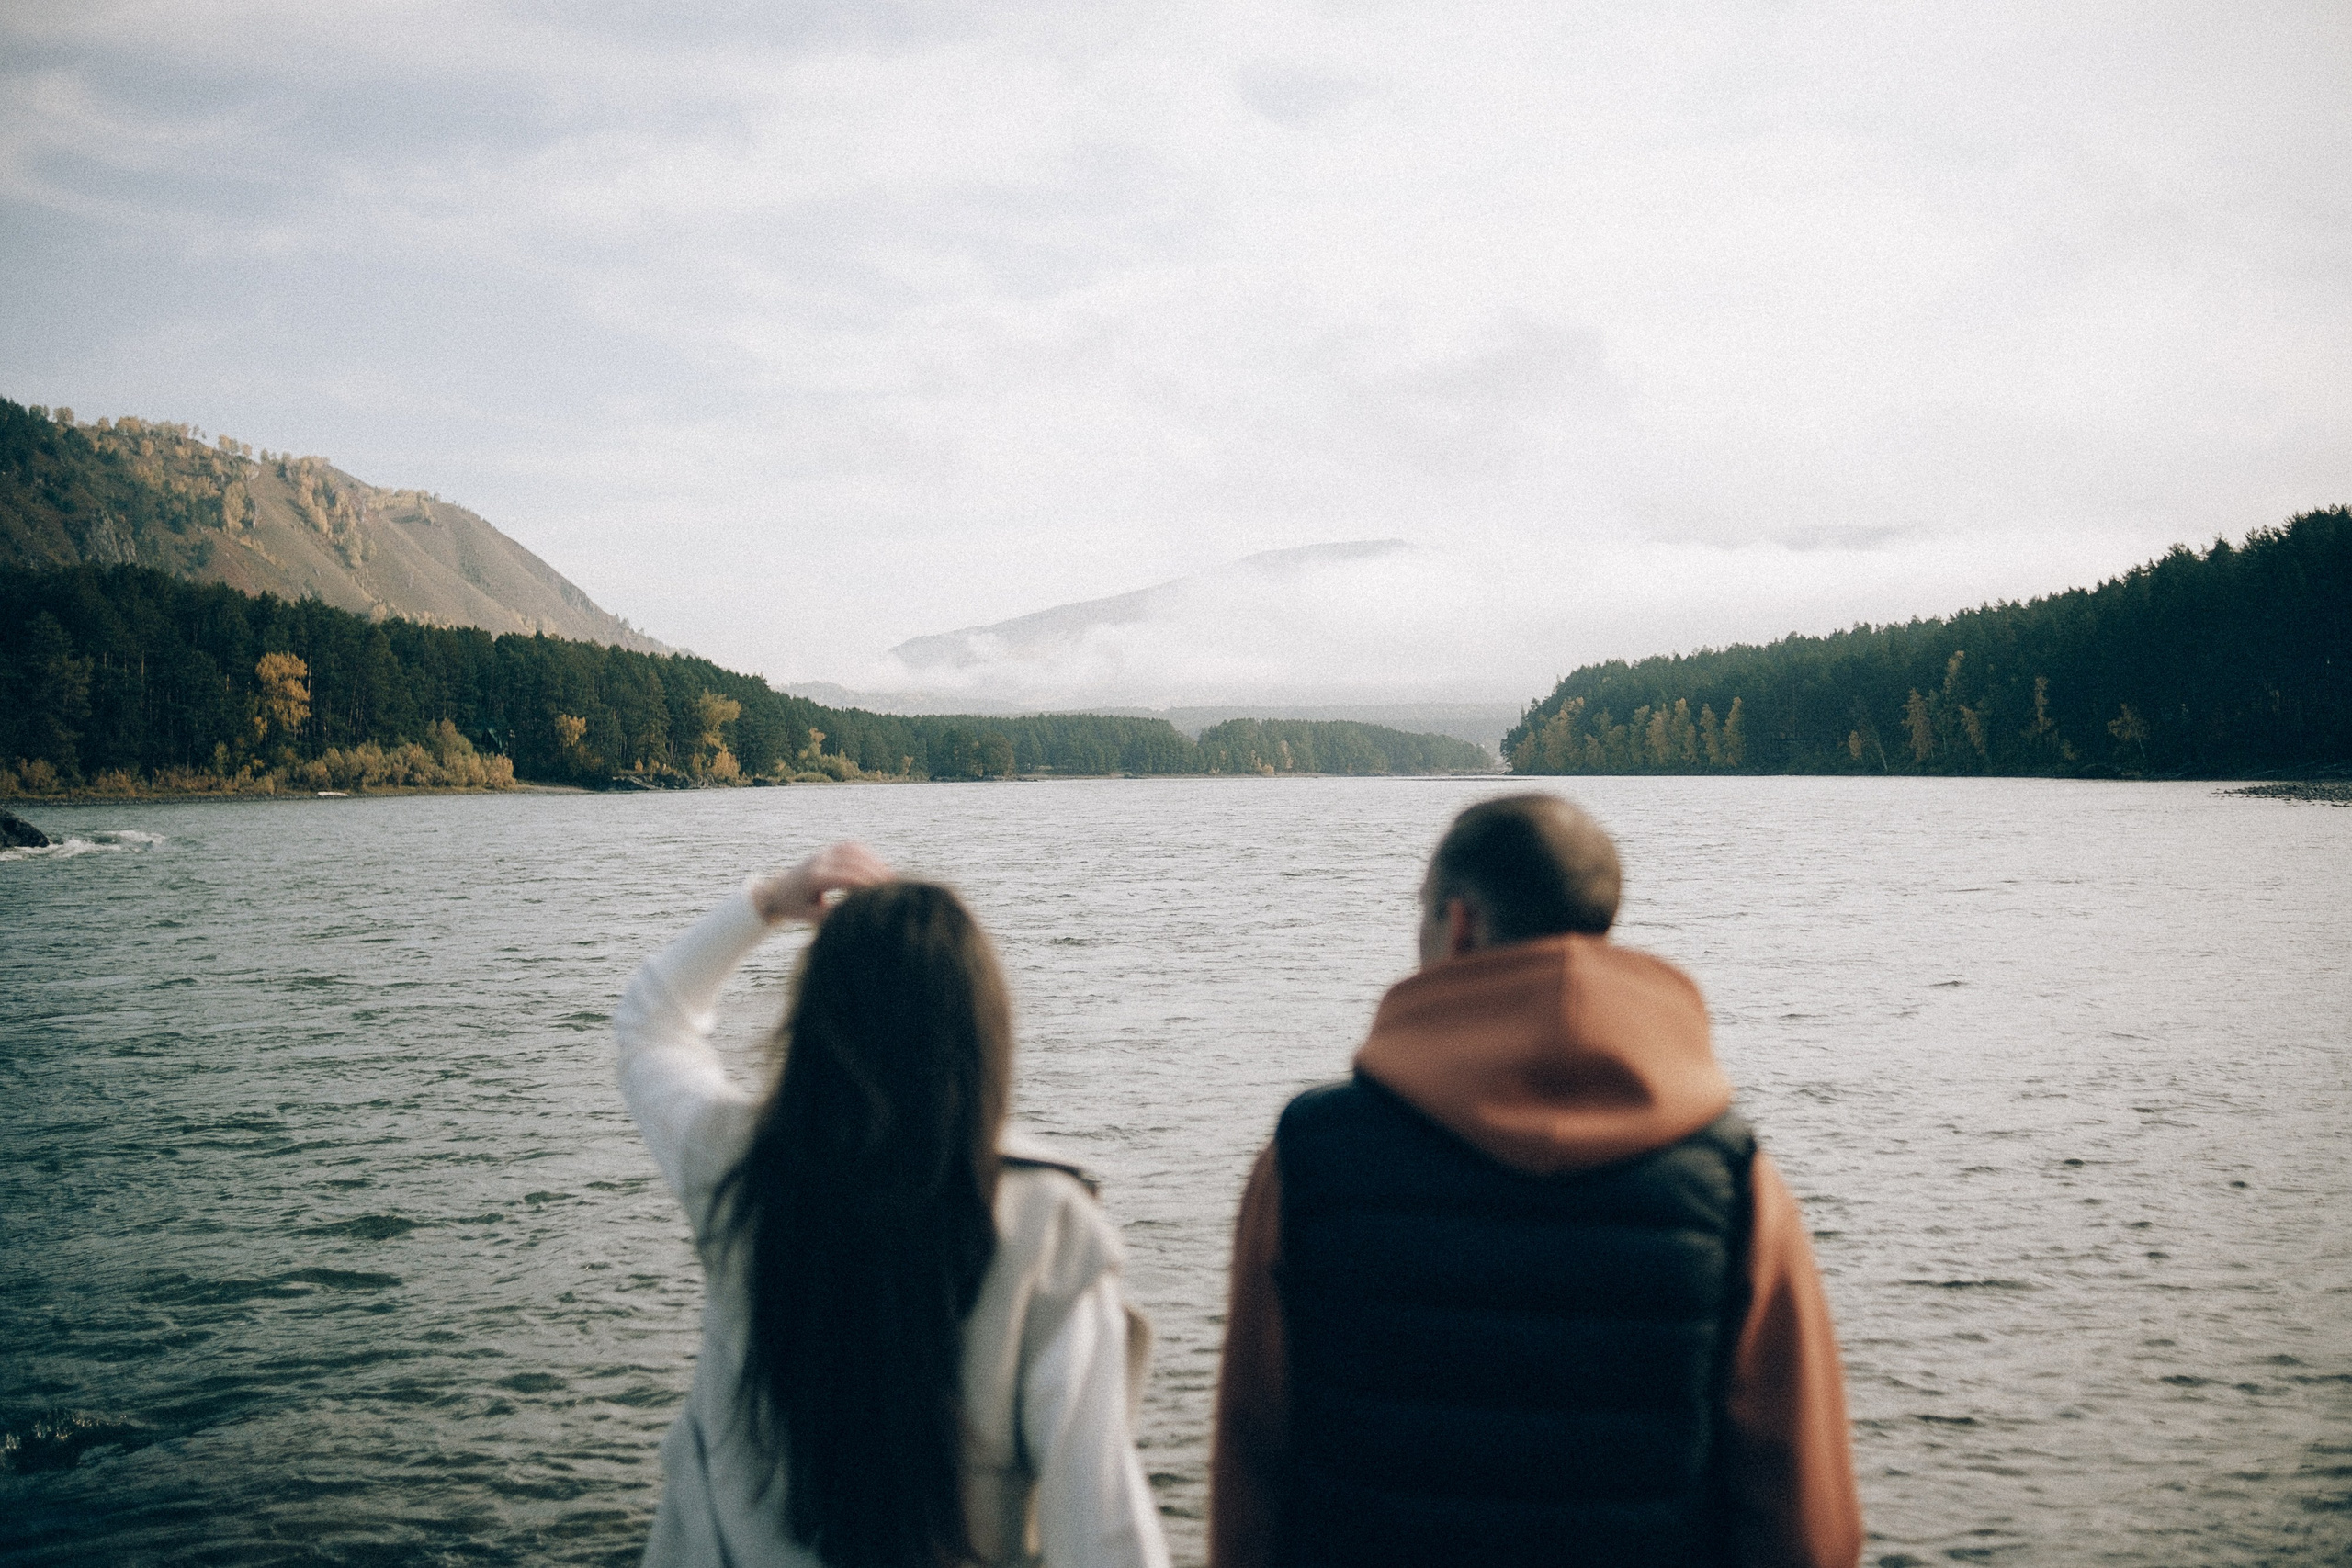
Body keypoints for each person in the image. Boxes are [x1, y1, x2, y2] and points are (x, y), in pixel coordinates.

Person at [1208, 795, 1863, 1568]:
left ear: (1458, 924)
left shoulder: (1308, 1158)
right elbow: (1804, 1518)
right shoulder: (1736, 1180)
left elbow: (1253, 1467)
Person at [615, 842, 1170, 1568]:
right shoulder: (1049, 1228)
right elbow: (1103, 1537)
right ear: (982, 1038)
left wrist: (770, 902)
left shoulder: (738, 1165)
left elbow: (650, 1026)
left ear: (812, 1026)